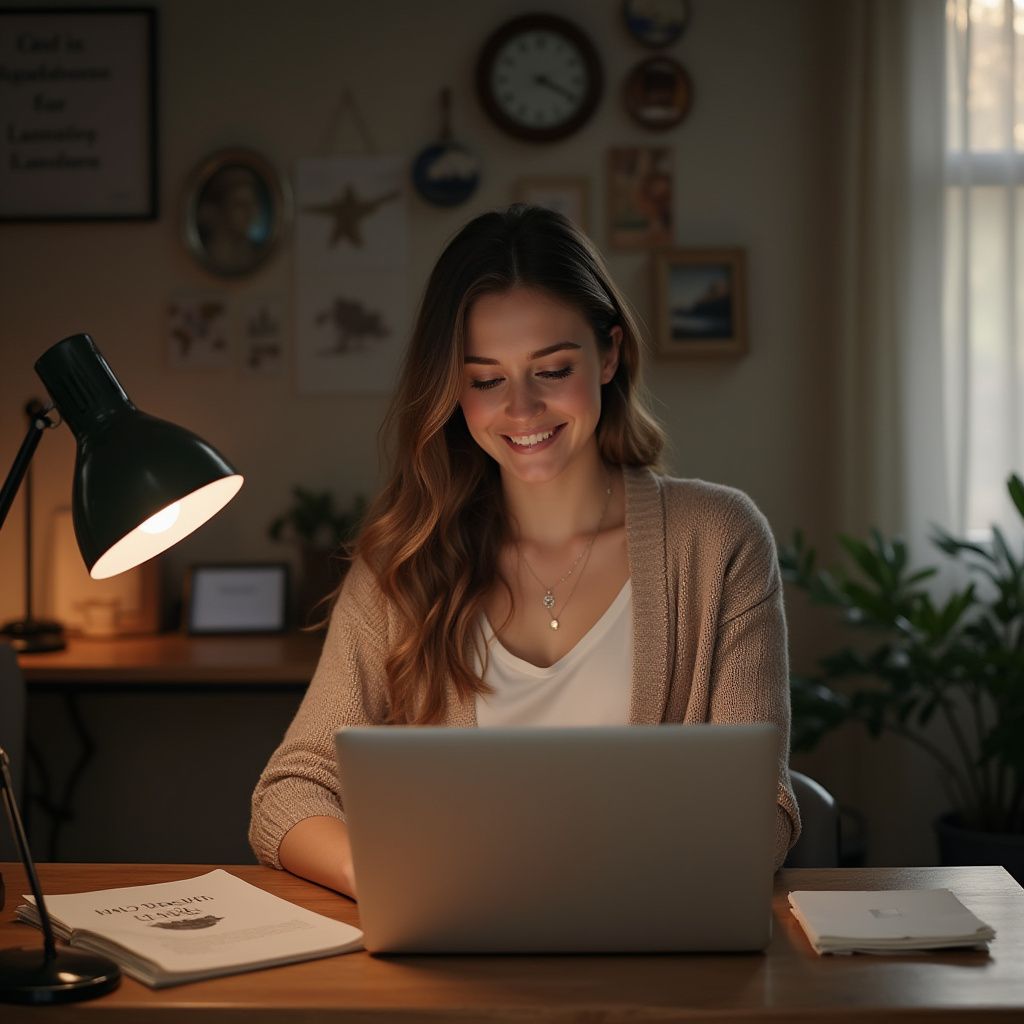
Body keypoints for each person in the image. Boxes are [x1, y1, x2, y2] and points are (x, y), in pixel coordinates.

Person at [249, 205, 801, 899]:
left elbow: (759, 809)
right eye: (485, 380)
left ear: (609, 354)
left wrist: (601, 897)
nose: (521, 409)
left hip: (654, 961)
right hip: (450, 965)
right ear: (453, 388)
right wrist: (389, 876)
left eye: (551, 369)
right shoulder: (405, 563)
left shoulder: (719, 540)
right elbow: (290, 792)